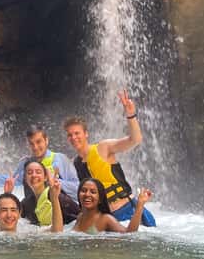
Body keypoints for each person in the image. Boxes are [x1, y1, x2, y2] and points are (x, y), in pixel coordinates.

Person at [63, 89, 156, 227]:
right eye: (70, 135)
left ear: (86, 134)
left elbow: (135, 139)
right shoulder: (77, 163)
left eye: (77, 133)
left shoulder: (103, 147)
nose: (74, 137)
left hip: (128, 211)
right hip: (106, 219)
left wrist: (131, 115)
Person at [7, 124, 79, 198]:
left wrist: (56, 182)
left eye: (38, 142)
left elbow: (77, 189)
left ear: (46, 141)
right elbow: (11, 182)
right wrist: (7, 191)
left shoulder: (60, 159)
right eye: (31, 144)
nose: (35, 147)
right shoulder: (24, 163)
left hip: (58, 204)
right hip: (33, 204)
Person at [4, 160, 79, 227]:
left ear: (45, 177)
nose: (34, 175)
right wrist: (7, 193)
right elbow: (9, 219)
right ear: (25, 179)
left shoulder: (59, 197)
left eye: (38, 172)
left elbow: (80, 216)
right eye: (29, 173)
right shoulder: (26, 203)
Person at [69, 178, 152, 234]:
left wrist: (140, 205)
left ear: (100, 199)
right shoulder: (80, 217)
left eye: (93, 192)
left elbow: (129, 234)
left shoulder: (106, 219)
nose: (87, 194)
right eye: (83, 190)